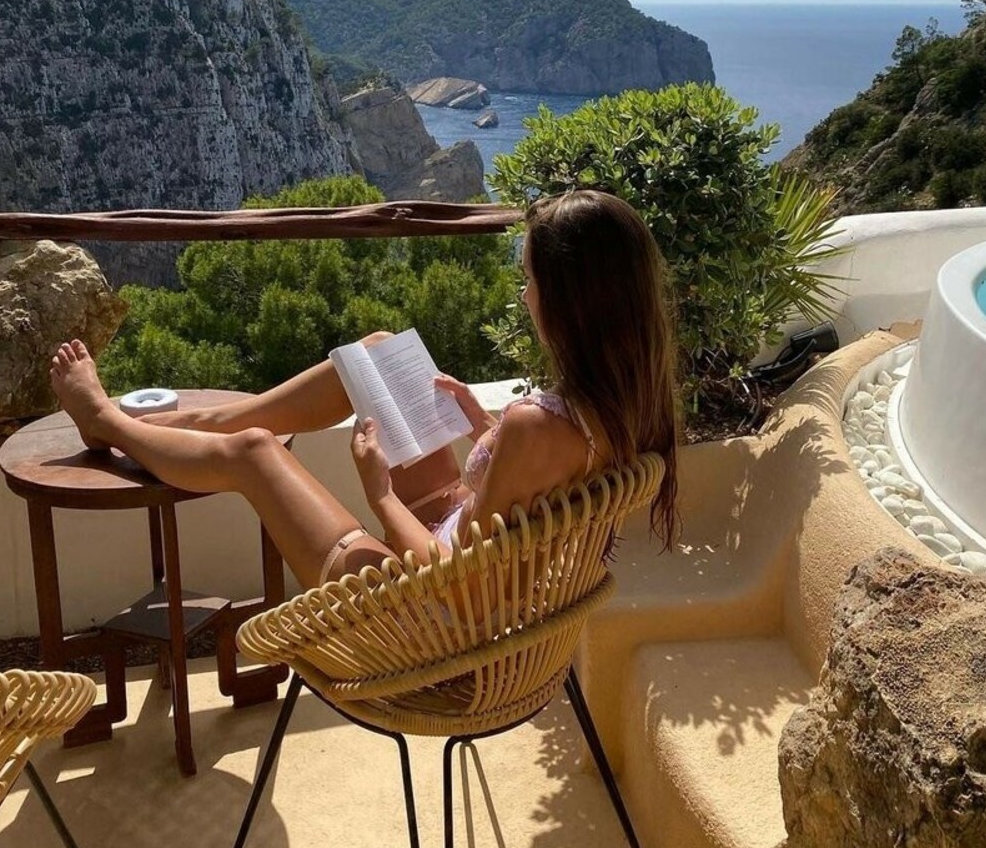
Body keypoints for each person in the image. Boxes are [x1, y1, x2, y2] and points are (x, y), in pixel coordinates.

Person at [49, 189, 679, 591]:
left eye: (531, 280)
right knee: (374, 355)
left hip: (423, 618)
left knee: (255, 452)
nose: (523, 295)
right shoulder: (626, 407)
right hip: (465, 551)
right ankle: (200, 422)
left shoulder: (535, 428)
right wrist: (484, 430)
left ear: (570, 305)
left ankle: (109, 420)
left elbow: (460, 588)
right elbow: (541, 482)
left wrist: (380, 493)